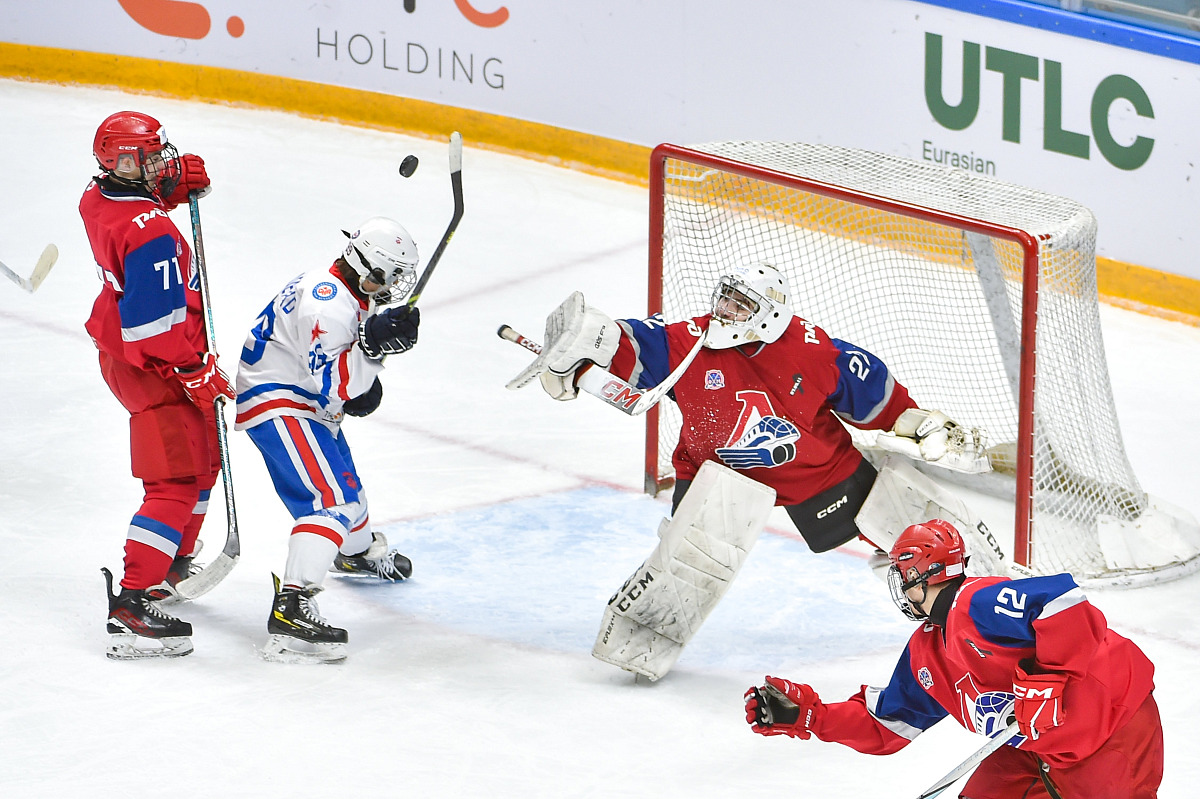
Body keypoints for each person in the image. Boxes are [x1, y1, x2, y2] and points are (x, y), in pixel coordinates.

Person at [507, 262, 990, 679]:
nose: (725, 311)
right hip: (714, 473)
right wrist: (588, 342)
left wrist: (922, 424)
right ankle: (643, 642)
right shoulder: (688, 343)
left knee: (908, 526)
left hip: (814, 472)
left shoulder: (814, 352)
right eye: (724, 298)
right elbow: (630, 345)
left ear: (769, 315)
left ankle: (987, 594)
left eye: (740, 305)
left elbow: (879, 402)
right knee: (686, 561)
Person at [744, 519, 1163, 798]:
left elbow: (1062, 601)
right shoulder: (927, 652)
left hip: (1111, 730)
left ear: (917, 576)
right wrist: (813, 717)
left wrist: (1047, 681)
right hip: (1036, 751)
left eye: (901, 577)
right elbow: (886, 724)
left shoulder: (978, 602)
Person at [234, 216, 421, 663]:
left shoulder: (346, 288)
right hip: (283, 402)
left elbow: (340, 377)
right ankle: (292, 608)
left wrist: (368, 352)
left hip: (304, 398)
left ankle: (355, 553)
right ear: (369, 266)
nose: (393, 285)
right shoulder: (328, 304)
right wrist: (372, 350)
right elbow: (337, 385)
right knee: (330, 502)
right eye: (390, 275)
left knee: (348, 491)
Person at [80, 110, 231, 660]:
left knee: (205, 459)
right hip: (154, 365)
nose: (161, 163)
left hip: (138, 355)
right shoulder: (153, 234)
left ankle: (172, 563)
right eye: (148, 159)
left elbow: (129, 214)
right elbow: (152, 328)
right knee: (175, 480)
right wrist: (194, 371)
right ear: (123, 163)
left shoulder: (98, 196)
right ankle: (132, 602)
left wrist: (164, 193)